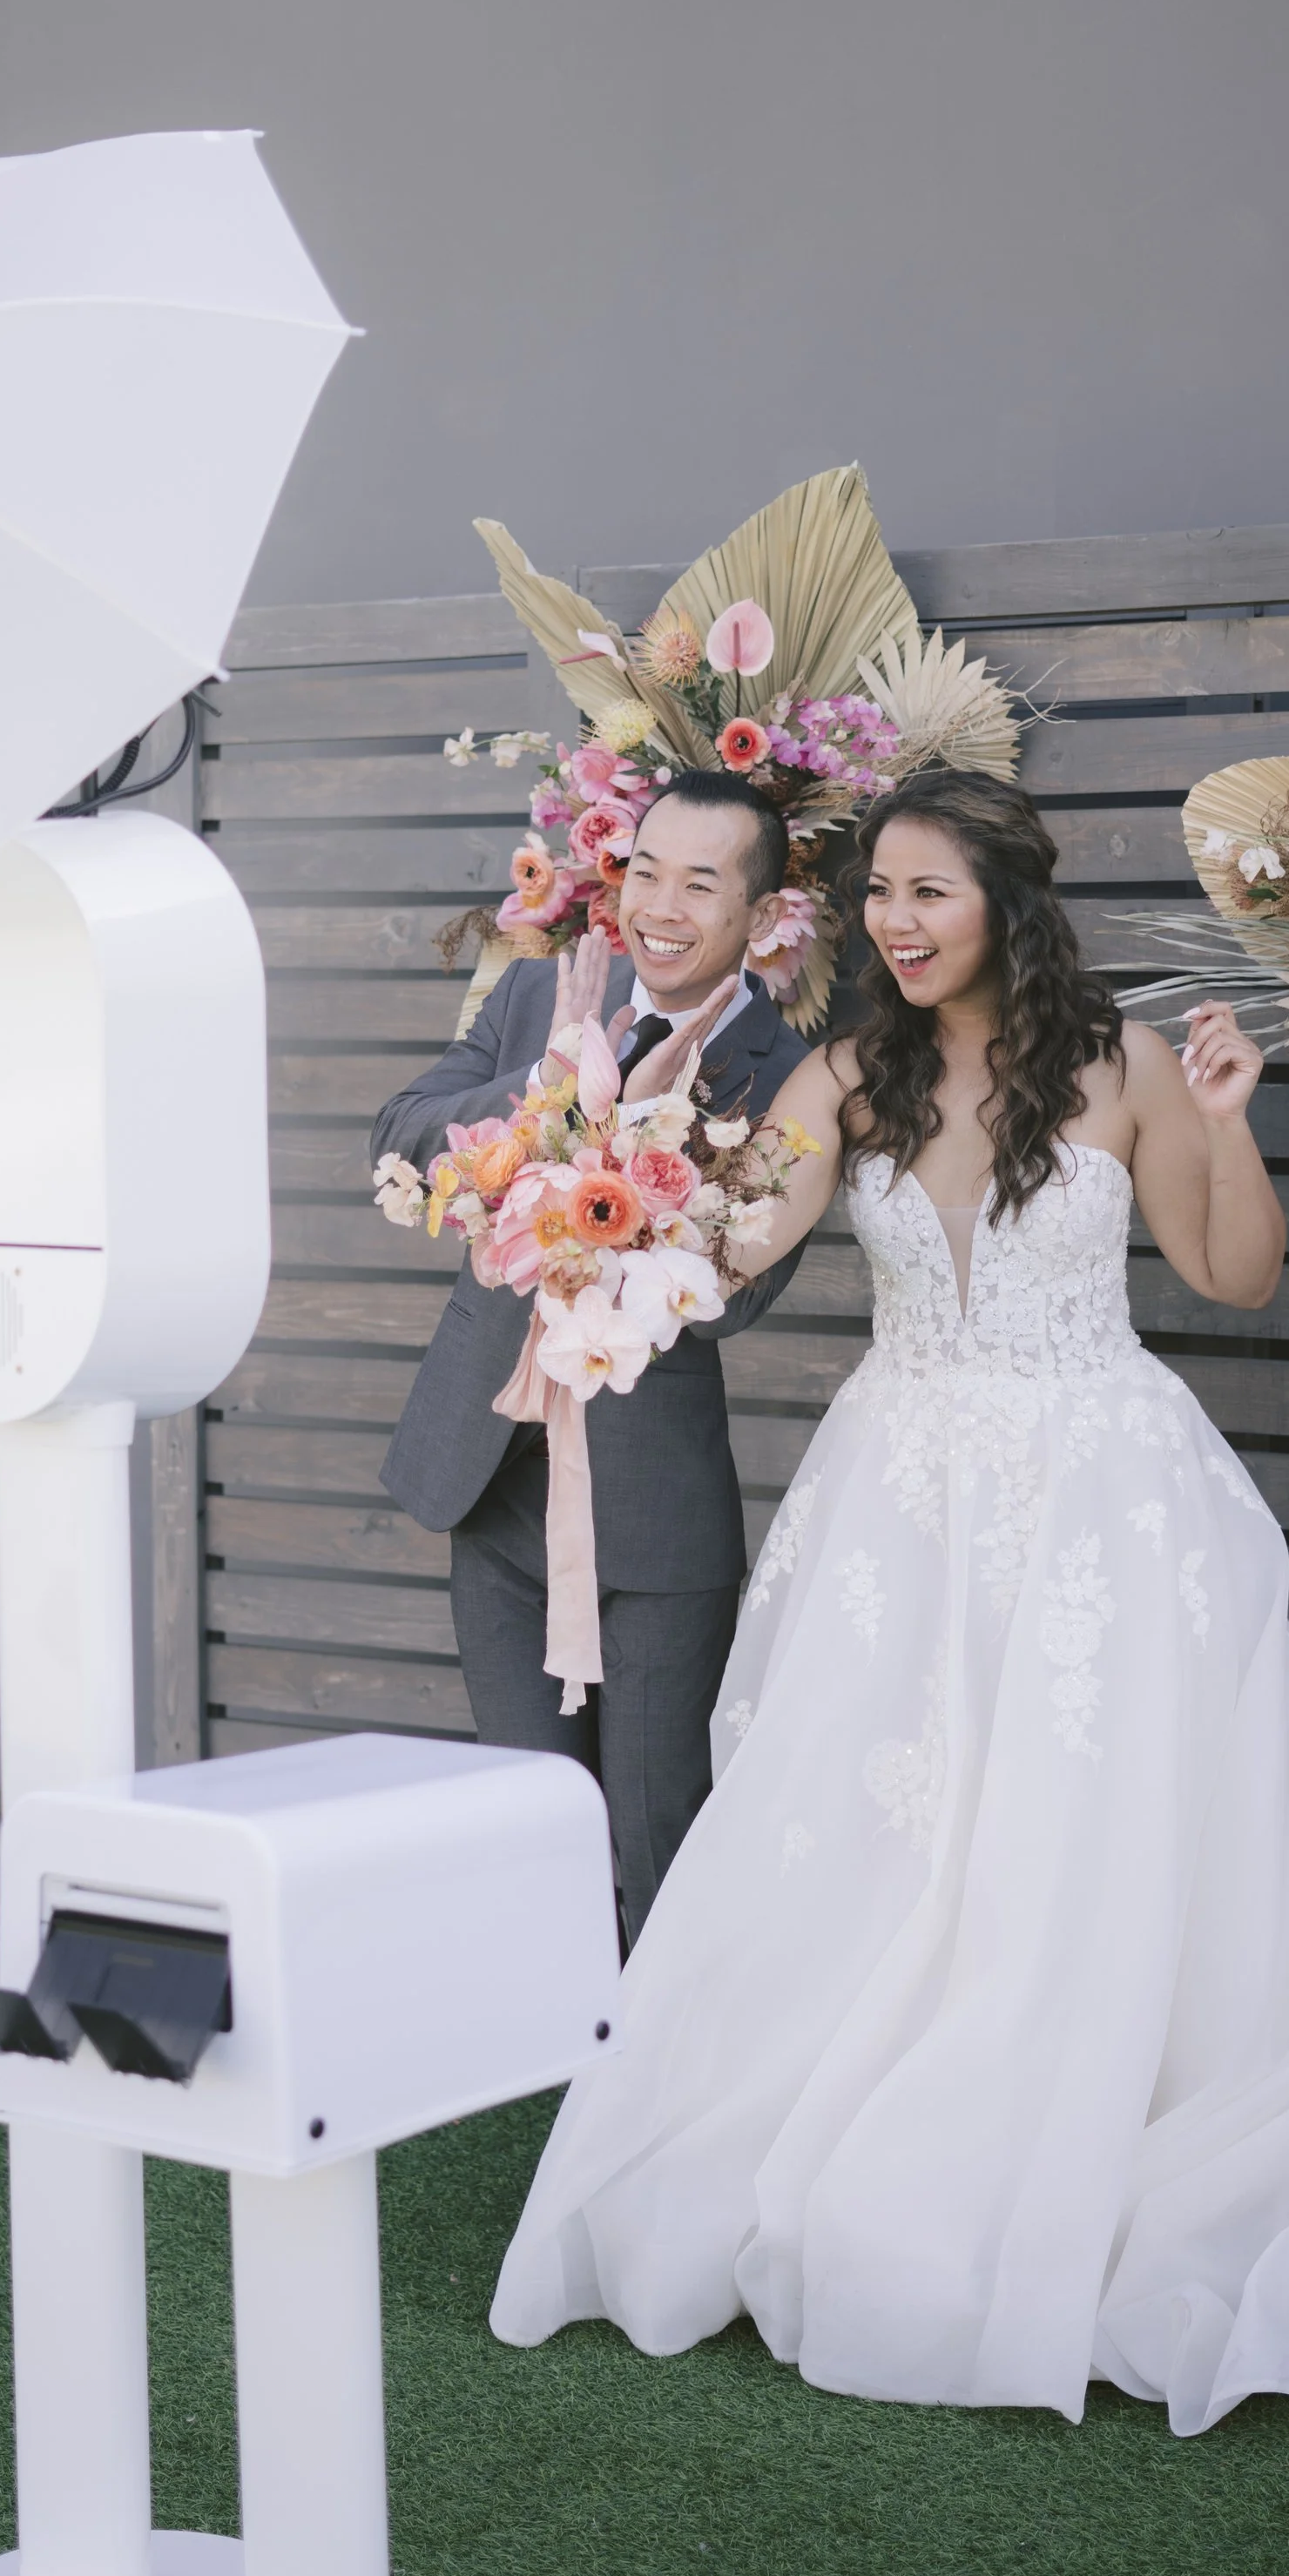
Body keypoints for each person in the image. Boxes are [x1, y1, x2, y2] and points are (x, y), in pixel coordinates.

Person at [491, 768, 1289, 2434]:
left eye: (929, 892)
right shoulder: (850, 1070)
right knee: (880, 1826)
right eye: (879, 896)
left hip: (1103, 1496)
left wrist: (1223, 1117)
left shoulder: (1125, 1062)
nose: (896, 925)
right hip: (901, 1497)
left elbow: (1233, 1274)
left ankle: (1092, 2153)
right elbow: (735, 1235)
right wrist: (600, 1218)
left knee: (1087, 1827)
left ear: (1005, 896)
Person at [373, 769, 811, 1943]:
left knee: (657, 1839)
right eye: (646, 869)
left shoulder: (788, 1068)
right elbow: (405, 1125)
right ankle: (568, 2073)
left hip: (653, 1516)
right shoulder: (537, 992)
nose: (660, 906)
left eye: (701, 884)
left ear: (762, 919)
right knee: (531, 1826)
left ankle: (664, 2096)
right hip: (494, 1476)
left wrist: (617, 1158)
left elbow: (736, 1299)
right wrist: (546, 1096)